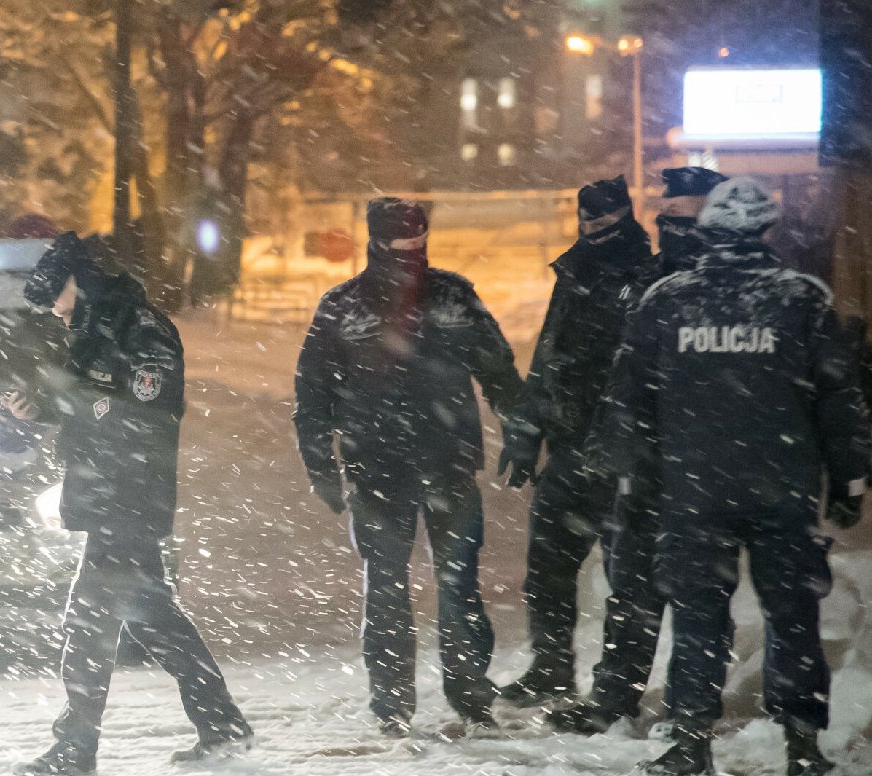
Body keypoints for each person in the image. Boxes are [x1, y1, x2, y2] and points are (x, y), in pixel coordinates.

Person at [608, 178, 870, 776]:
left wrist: (636, 477)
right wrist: (851, 478)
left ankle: (691, 743)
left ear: (708, 233)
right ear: (763, 232)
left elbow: (628, 401)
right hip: (783, 486)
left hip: (695, 488)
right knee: (793, 615)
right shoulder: (800, 301)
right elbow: (839, 397)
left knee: (698, 614)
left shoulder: (667, 301)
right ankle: (802, 747)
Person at [10, 232, 252, 776]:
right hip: (108, 496)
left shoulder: (143, 331)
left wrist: (71, 402)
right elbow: (93, 401)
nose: (54, 308)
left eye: (57, 296)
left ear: (81, 282)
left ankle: (77, 748)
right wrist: (44, 406)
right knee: (153, 617)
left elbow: (142, 409)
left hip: (129, 495)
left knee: (90, 620)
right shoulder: (96, 333)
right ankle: (221, 724)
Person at [294, 198, 522, 736]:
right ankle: (393, 705)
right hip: (377, 471)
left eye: (419, 247)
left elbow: (499, 369)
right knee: (388, 586)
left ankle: (469, 698)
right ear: (375, 243)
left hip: (448, 467)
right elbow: (312, 396)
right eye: (400, 248)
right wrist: (320, 467)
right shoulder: (342, 307)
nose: (411, 258)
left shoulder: (452, 297)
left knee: (458, 585)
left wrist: (522, 429)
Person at [547, 166, 728, 734]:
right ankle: (614, 698)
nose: (675, 227)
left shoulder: (733, 291)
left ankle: (689, 708)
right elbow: (608, 372)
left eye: (689, 217)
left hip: (706, 462)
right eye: (667, 216)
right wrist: (603, 440)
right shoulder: (642, 283)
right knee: (631, 586)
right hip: (645, 461)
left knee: (701, 593)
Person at [497, 176, 660, 707]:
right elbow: (549, 359)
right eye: (587, 221)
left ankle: (617, 693)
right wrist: (526, 433)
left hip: (624, 456)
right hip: (570, 449)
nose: (594, 230)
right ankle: (551, 670)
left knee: (627, 584)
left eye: (605, 221)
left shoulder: (648, 276)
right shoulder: (575, 274)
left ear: (625, 217)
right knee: (546, 570)